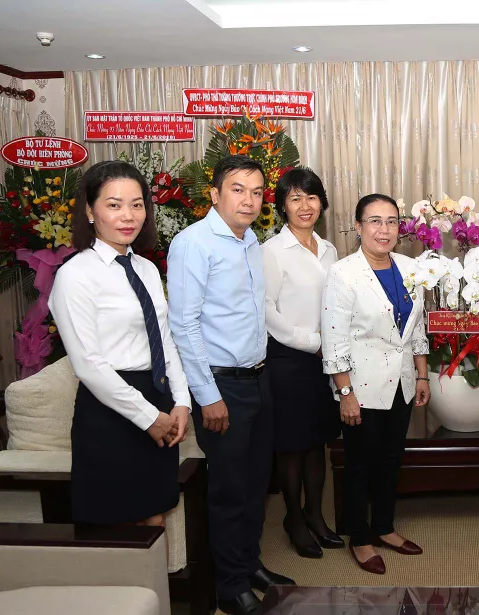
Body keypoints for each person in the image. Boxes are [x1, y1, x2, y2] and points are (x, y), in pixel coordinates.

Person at [168, 155, 292, 615]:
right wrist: (208, 396)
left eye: (257, 192)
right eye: (238, 190)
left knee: (257, 483)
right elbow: (184, 325)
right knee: (229, 490)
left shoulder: (251, 240)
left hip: (258, 377)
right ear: (215, 194)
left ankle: (250, 564)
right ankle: (230, 586)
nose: (249, 200)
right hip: (222, 386)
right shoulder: (193, 243)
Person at [50, 160, 189, 531]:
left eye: (137, 204)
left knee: (155, 515)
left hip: (157, 395)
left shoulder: (145, 268)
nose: (128, 215)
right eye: (114, 205)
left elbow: (164, 339)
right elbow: (88, 364)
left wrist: (181, 400)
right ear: (89, 211)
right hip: (110, 409)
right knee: (116, 528)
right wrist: (148, 417)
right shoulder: (75, 275)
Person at [321, 193, 431, 575]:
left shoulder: (410, 268)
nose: (383, 229)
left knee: (390, 460)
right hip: (361, 388)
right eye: (374, 221)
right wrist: (345, 393)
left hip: (401, 384)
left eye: (391, 221)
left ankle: (384, 527)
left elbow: (417, 327)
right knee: (359, 465)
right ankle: (360, 537)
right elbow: (334, 339)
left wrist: (421, 373)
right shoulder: (343, 273)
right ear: (358, 227)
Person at [261, 168, 343, 558]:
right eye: (295, 198)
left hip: (326, 360)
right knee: (292, 445)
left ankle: (315, 514)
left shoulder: (329, 250)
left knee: (317, 442)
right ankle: (293, 518)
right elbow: (266, 310)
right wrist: (311, 342)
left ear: (321, 203)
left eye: (311, 197)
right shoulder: (272, 251)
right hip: (288, 359)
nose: (304, 205)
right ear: (282, 206)